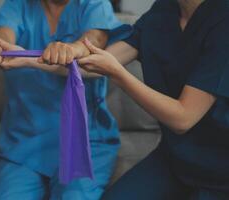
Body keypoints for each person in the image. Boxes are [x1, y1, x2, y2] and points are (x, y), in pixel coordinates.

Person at [0, 0, 130, 199]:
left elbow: (96, 38)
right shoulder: (18, 5)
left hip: (85, 143)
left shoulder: (94, 4)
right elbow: (3, 32)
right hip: (23, 143)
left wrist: (75, 48)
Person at [78, 0, 229, 199]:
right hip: (174, 160)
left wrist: (118, 74)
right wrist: (29, 57)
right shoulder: (163, 10)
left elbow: (183, 119)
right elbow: (91, 64)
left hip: (221, 171)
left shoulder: (223, 21)